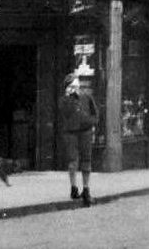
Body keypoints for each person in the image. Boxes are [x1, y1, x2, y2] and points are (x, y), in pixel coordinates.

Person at [59, 72, 98, 206]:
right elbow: (65, 113)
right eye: (71, 86)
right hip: (71, 133)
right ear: (67, 87)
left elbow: (95, 113)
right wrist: (69, 97)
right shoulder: (64, 100)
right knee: (73, 160)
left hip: (85, 132)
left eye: (76, 85)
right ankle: (74, 188)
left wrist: (90, 122)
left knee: (86, 160)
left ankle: (86, 189)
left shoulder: (86, 97)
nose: (75, 88)